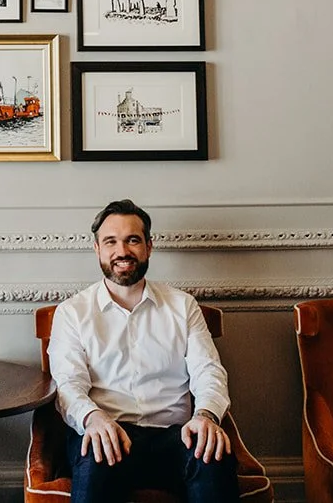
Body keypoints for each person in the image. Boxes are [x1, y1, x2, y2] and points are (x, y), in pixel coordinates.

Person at [46, 199, 238, 503]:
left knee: (211, 453)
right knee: (95, 453)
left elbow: (208, 370)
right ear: (97, 249)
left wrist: (206, 415)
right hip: (107, 433)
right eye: (111, 241)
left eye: (132, 240)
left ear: (149, 247)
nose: (122, 251)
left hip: (175, 436)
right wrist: (93, 418)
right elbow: (68, 385)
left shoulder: (183, 306)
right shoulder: (72, 313)